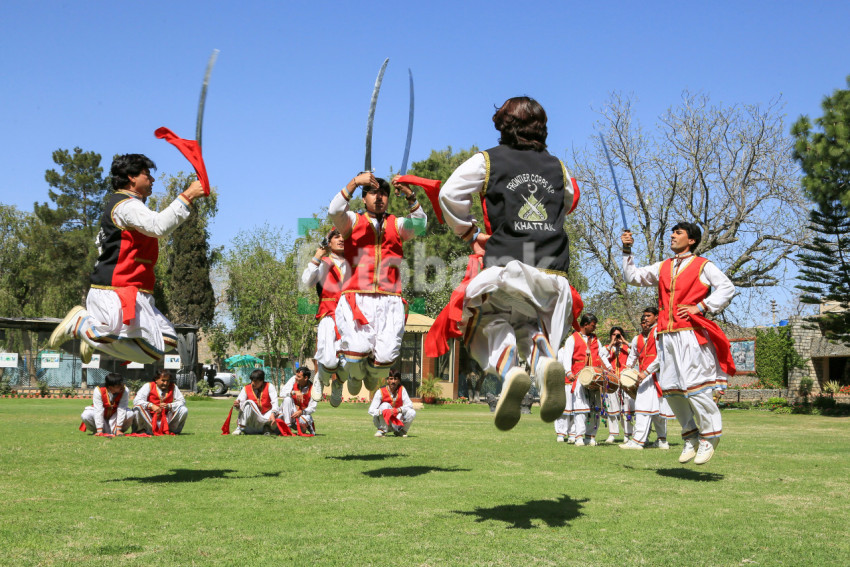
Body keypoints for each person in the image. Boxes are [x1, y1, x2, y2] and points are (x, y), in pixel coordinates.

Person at [430, 96, 581, 432]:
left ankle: (509, 364)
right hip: (554, 278)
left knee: (484, 322)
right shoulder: (559, 168)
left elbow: (448, 193)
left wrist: (469, 232)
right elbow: (568, 199)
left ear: (503, 125)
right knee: (530, 327)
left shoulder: (489, 161)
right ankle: (543, 363)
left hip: (508, 269)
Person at [48, 154, 207, 364]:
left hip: (134, 290)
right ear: (132, 177)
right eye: (147, 175)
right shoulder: (126, 206)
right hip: (116, 290)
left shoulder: (132, 205)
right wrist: (188, 195)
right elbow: (158, 226)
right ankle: (82, 325)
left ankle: (95, 336)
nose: (152, 180)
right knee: (153, 352)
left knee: (167, 340)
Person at [621, 223, 736, 464]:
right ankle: (690, 434)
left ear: (691, 240)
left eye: (678, 233)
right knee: (671, 389)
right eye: (672, 232)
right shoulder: (664, 266)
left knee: (696, 387)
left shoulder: (703, 265)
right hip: (666, 335)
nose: (672, 236)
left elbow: (727, 287)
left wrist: (702, 306)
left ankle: (710, 435)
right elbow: (632, 277)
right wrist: (626, 250)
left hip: (690, 335)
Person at [329, 172, 426, 395]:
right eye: (373, 192)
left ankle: (371, 374)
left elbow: (420, 225)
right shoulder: (351, 220)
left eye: (383, 194)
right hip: (357, 296)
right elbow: (334, 210)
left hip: (390, 299)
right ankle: (353, 374)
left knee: (386, 360)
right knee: (357, 351)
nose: (379, 197)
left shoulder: (398, 224)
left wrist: (410, 195)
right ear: (364, 198)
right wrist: (354, 183)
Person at [301, 229, 349, 406]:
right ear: (329, 243)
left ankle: (339, 383)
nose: (341, 239)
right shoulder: (324, 263)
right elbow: (306, 281)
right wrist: (317, 255)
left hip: (350, 320)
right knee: (329, 360)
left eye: (343, 235)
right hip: (329, 315)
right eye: (336, 237)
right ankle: (320, 378)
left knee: (350, 362)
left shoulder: (355, 263)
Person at [556, 313, 613, 445]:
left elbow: (602, 355)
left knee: (595, 408)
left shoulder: (595, 339)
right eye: (593, 325)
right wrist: (569, 372)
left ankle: (590, 436)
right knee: (581, 408)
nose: (595, 328)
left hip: (595, 378)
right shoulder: (572, 339)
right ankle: (579, 437)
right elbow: (567, 357)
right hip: (579, 377)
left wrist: (609, 368)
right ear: (585, 324)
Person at [619, 307, 670, 450]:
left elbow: (662, 357)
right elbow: (632, 357)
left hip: (656, 376)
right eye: (643, 317)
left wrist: (646, 372)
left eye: (648, 316)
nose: (645, 319)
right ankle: (659, 440)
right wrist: (626, 372)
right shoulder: (637, 338)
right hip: (644, 377)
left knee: (653, 409)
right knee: (648, 408)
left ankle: (642, 441)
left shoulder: (659, 333)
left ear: (656, 317)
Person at [132, 369, 188, 435]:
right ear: (156, 379)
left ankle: (171, 430)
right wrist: (151, 405)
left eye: (168, 381)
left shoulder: (173, 387)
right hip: (149, 419)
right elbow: (137, 400)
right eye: (163, 380)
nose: (166, 383)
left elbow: (182, 401)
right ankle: (141, 430)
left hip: (166, 420)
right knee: (137, 408)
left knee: (183, 409)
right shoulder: (148, 386)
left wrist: (169, 406)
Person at [602, 326, 630, 443]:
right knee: (612, 408)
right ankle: (612, 434)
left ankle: (627, 434)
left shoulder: (627, 347)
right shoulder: (607, 349)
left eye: (618, 335)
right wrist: (611, 344)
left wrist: (624, 341)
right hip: (612, 381)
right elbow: (601, 354)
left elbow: (637, 351)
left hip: (625, 380)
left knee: (626, 408)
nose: (616, 337)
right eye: (614, 335)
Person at [368, 370, 415, 437]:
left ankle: (401, 431)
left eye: (395, 379)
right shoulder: (380, 391)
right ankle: (382, 430)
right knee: (385, 405)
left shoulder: (402, 389)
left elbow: (410, 405)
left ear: (399, 381)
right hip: (381, 421)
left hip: (396, 421)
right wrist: (384, 412)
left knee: (412, 412)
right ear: (387, 380)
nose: (393, 381)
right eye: (391, 379)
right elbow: (371, 410)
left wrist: (399, 410)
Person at [232, 369, 280, 435]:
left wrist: (273, 414)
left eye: (256, 381)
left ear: (262, 381)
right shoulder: (246, 388)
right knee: (248, 403)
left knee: (280, 413)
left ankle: (266, 428)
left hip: (266, 417)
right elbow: (240, 404)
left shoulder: (269, 386)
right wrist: (237, 405)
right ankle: (240, 428)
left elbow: (275, 403)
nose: (253, 383)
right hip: (252, 421)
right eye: (252, 381)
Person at [278, 368, 317, 435]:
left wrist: (301, 412)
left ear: (306, 378)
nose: (296, 378)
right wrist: (294, 392)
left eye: (299, 377)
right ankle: (287, 427)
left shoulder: (313, 389)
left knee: (304, 424)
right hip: (289, 412)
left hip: (302, 414)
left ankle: (304, 427)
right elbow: (282, 393)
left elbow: (312, 408)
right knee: (287, 399)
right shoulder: (293, 379)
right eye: (296, 375)